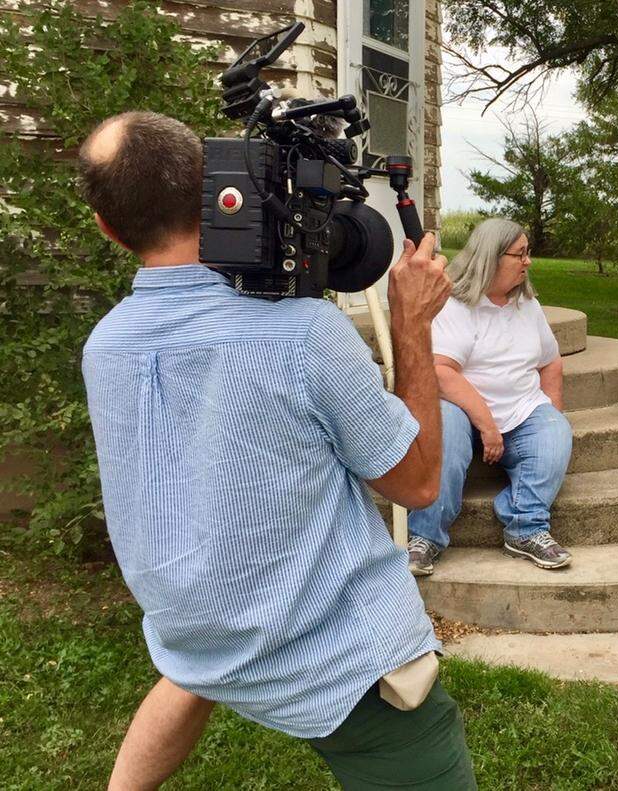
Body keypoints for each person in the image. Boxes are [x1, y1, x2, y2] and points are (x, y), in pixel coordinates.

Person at [78, 111, 476, 789]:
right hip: (334, 655)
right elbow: (416, 484)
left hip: (202, 633)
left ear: (107, 229)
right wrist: (411, 326)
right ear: (218, 186)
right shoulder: (304, 335)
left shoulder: (105, 347)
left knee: (186, 679)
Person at [406, 218, 573, 576]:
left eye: (528, 253)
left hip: (522, 408)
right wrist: (487, 425)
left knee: (556, 433)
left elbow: (551, 363)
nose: (528, 262)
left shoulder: (527, 305)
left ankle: (525, 528)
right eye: (520, 254)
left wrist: (552, 419)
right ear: (491, 258)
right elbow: (441, 371)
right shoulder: (455, 306)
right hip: (463, 409)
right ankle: (425, 536)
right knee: (445, 432)